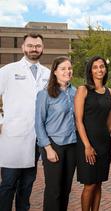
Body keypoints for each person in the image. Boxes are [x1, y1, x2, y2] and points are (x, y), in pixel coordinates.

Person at [0, 33, 50, 211]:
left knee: (27, 185)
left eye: (37, 46)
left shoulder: (48, 74)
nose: (34, 49)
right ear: (23, 47)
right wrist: (1, 121)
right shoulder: (8, 70)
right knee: (8, 184)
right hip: (13, 137)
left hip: (36, 140)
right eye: (30, 45)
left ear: (42, 48)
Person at [35, 56, 77, 211]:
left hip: (72, 146)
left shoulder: (76, 92)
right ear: (55, 71)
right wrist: (48, 148)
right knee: (54, 190)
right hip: (54, 146)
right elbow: (38, 124)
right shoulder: (45, 94)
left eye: (69, 68)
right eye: (63, 68)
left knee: (66, 189)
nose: (68, 71)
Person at [74, 56, 111, 211]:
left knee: (98, 183)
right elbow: (78, 120)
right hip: (87, 143)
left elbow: (109, 123)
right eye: (95, 67)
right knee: (89, 184)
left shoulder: (110, 92)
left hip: (103, 143)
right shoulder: (83, 90)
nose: (99, 69)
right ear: (90, 70)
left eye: (102, 66)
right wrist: (87, 146)